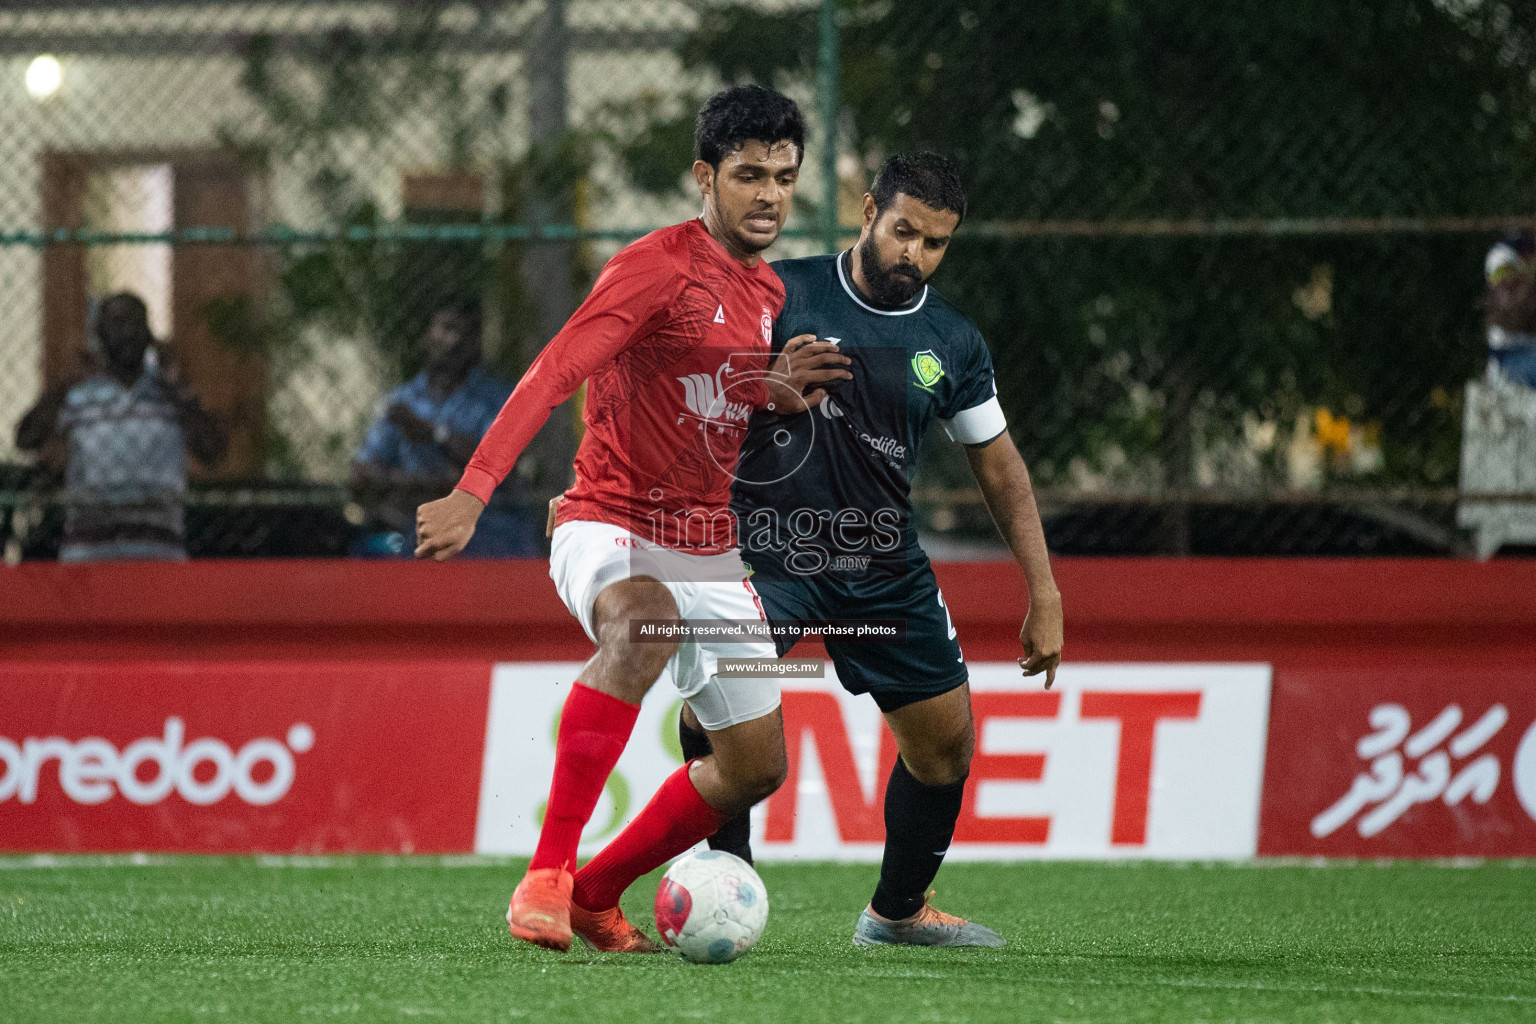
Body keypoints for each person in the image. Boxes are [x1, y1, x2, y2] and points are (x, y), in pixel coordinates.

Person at [413, 85, 851, 952]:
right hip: (607, 521)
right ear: (705, 176)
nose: (769, 194)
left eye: (785, 178)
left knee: (757, 766)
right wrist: (475, 489)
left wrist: (767, 393)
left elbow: (701, 389)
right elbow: (553, 371)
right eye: (749, 175)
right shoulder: (656, 264)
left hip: (708, 545)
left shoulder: (765, 291)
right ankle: (545, 873)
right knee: (641, 623)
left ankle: (596, 890)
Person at [681, 153, 1064, 946]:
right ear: (866, 212)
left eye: (936, 243)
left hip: (881, 565)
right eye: (903, 232)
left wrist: (1045, 590)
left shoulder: (952, 342)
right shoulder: (777, 292)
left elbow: (998, 464)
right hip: (767, 549)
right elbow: (687, 398)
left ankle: (896, 913)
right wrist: (763, 383)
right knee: (715, 698)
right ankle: (727, 874)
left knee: (945, 745)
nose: (915, 255)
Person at [14, 292, 227, 562]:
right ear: (99, 335)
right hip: (88, 552)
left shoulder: (172, 398)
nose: (126, 332)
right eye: (116, 323)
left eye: (134, 323)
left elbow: (213, 453)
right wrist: (63, 384)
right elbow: (26, 440)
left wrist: (174, 387)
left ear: (149, 335)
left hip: (159, 550)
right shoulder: (79, 397)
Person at [350, 300, 537, 557]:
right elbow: (362, 472)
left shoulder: (499, 399)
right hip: (416, 531)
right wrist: (420, 485)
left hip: (486, 530)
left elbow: (500, 470)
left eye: (467, 333)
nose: (456, 339)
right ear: (427, 337)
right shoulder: (403, 401)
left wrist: (434, 437)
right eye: (447, 328)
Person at [1483, 233, 1536, 389]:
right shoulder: (1498, 256)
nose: (1506, 280)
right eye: (1499, 274)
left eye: (1509, 271)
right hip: (1508, 360)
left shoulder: (1526, 294)